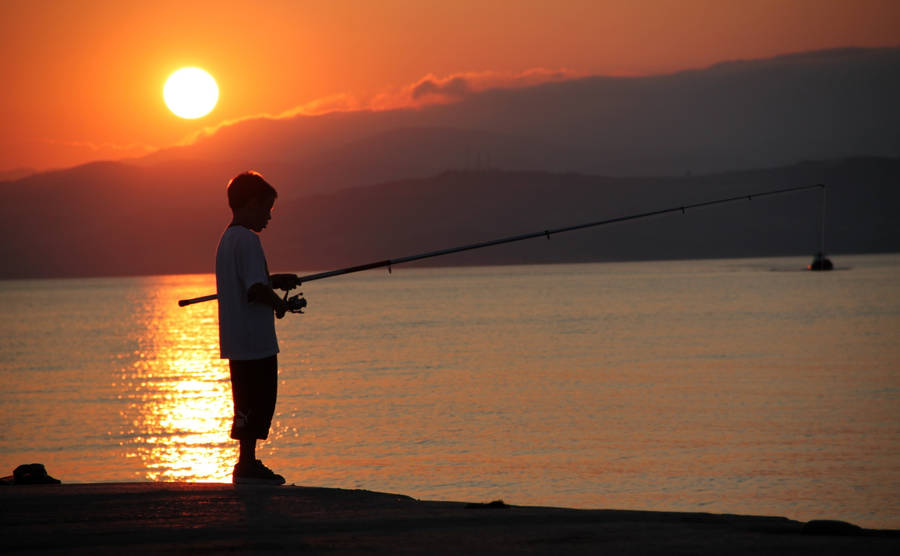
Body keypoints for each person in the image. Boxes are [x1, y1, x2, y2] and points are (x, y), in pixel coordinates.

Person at [216, 171, 300, 485]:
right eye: (267, 209)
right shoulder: (250, 240)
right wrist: (280, 304)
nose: (268, 217)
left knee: (245, 403)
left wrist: (274, 281)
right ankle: (247, 465)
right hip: (255, 341)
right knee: (259, 401)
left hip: (237, 340)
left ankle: (246, 462)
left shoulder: (227, 239)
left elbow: (249, 283)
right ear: (252, 203)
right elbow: (254, 290)